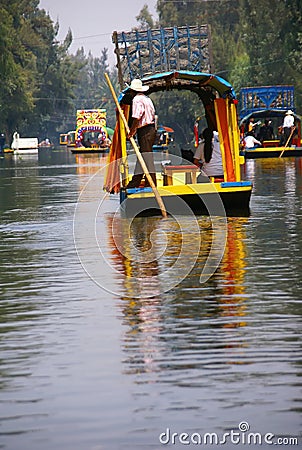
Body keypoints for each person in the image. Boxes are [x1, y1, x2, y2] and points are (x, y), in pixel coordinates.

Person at [126, 78, 157, 188]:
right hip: (150, 129)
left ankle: (152, 183)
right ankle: (135, 182)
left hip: (145, 130)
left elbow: (136, 117)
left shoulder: (137, 99)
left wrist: (132, 131)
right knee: (142, 157)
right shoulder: (147, 99)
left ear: (133, 91)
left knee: (147, 158)